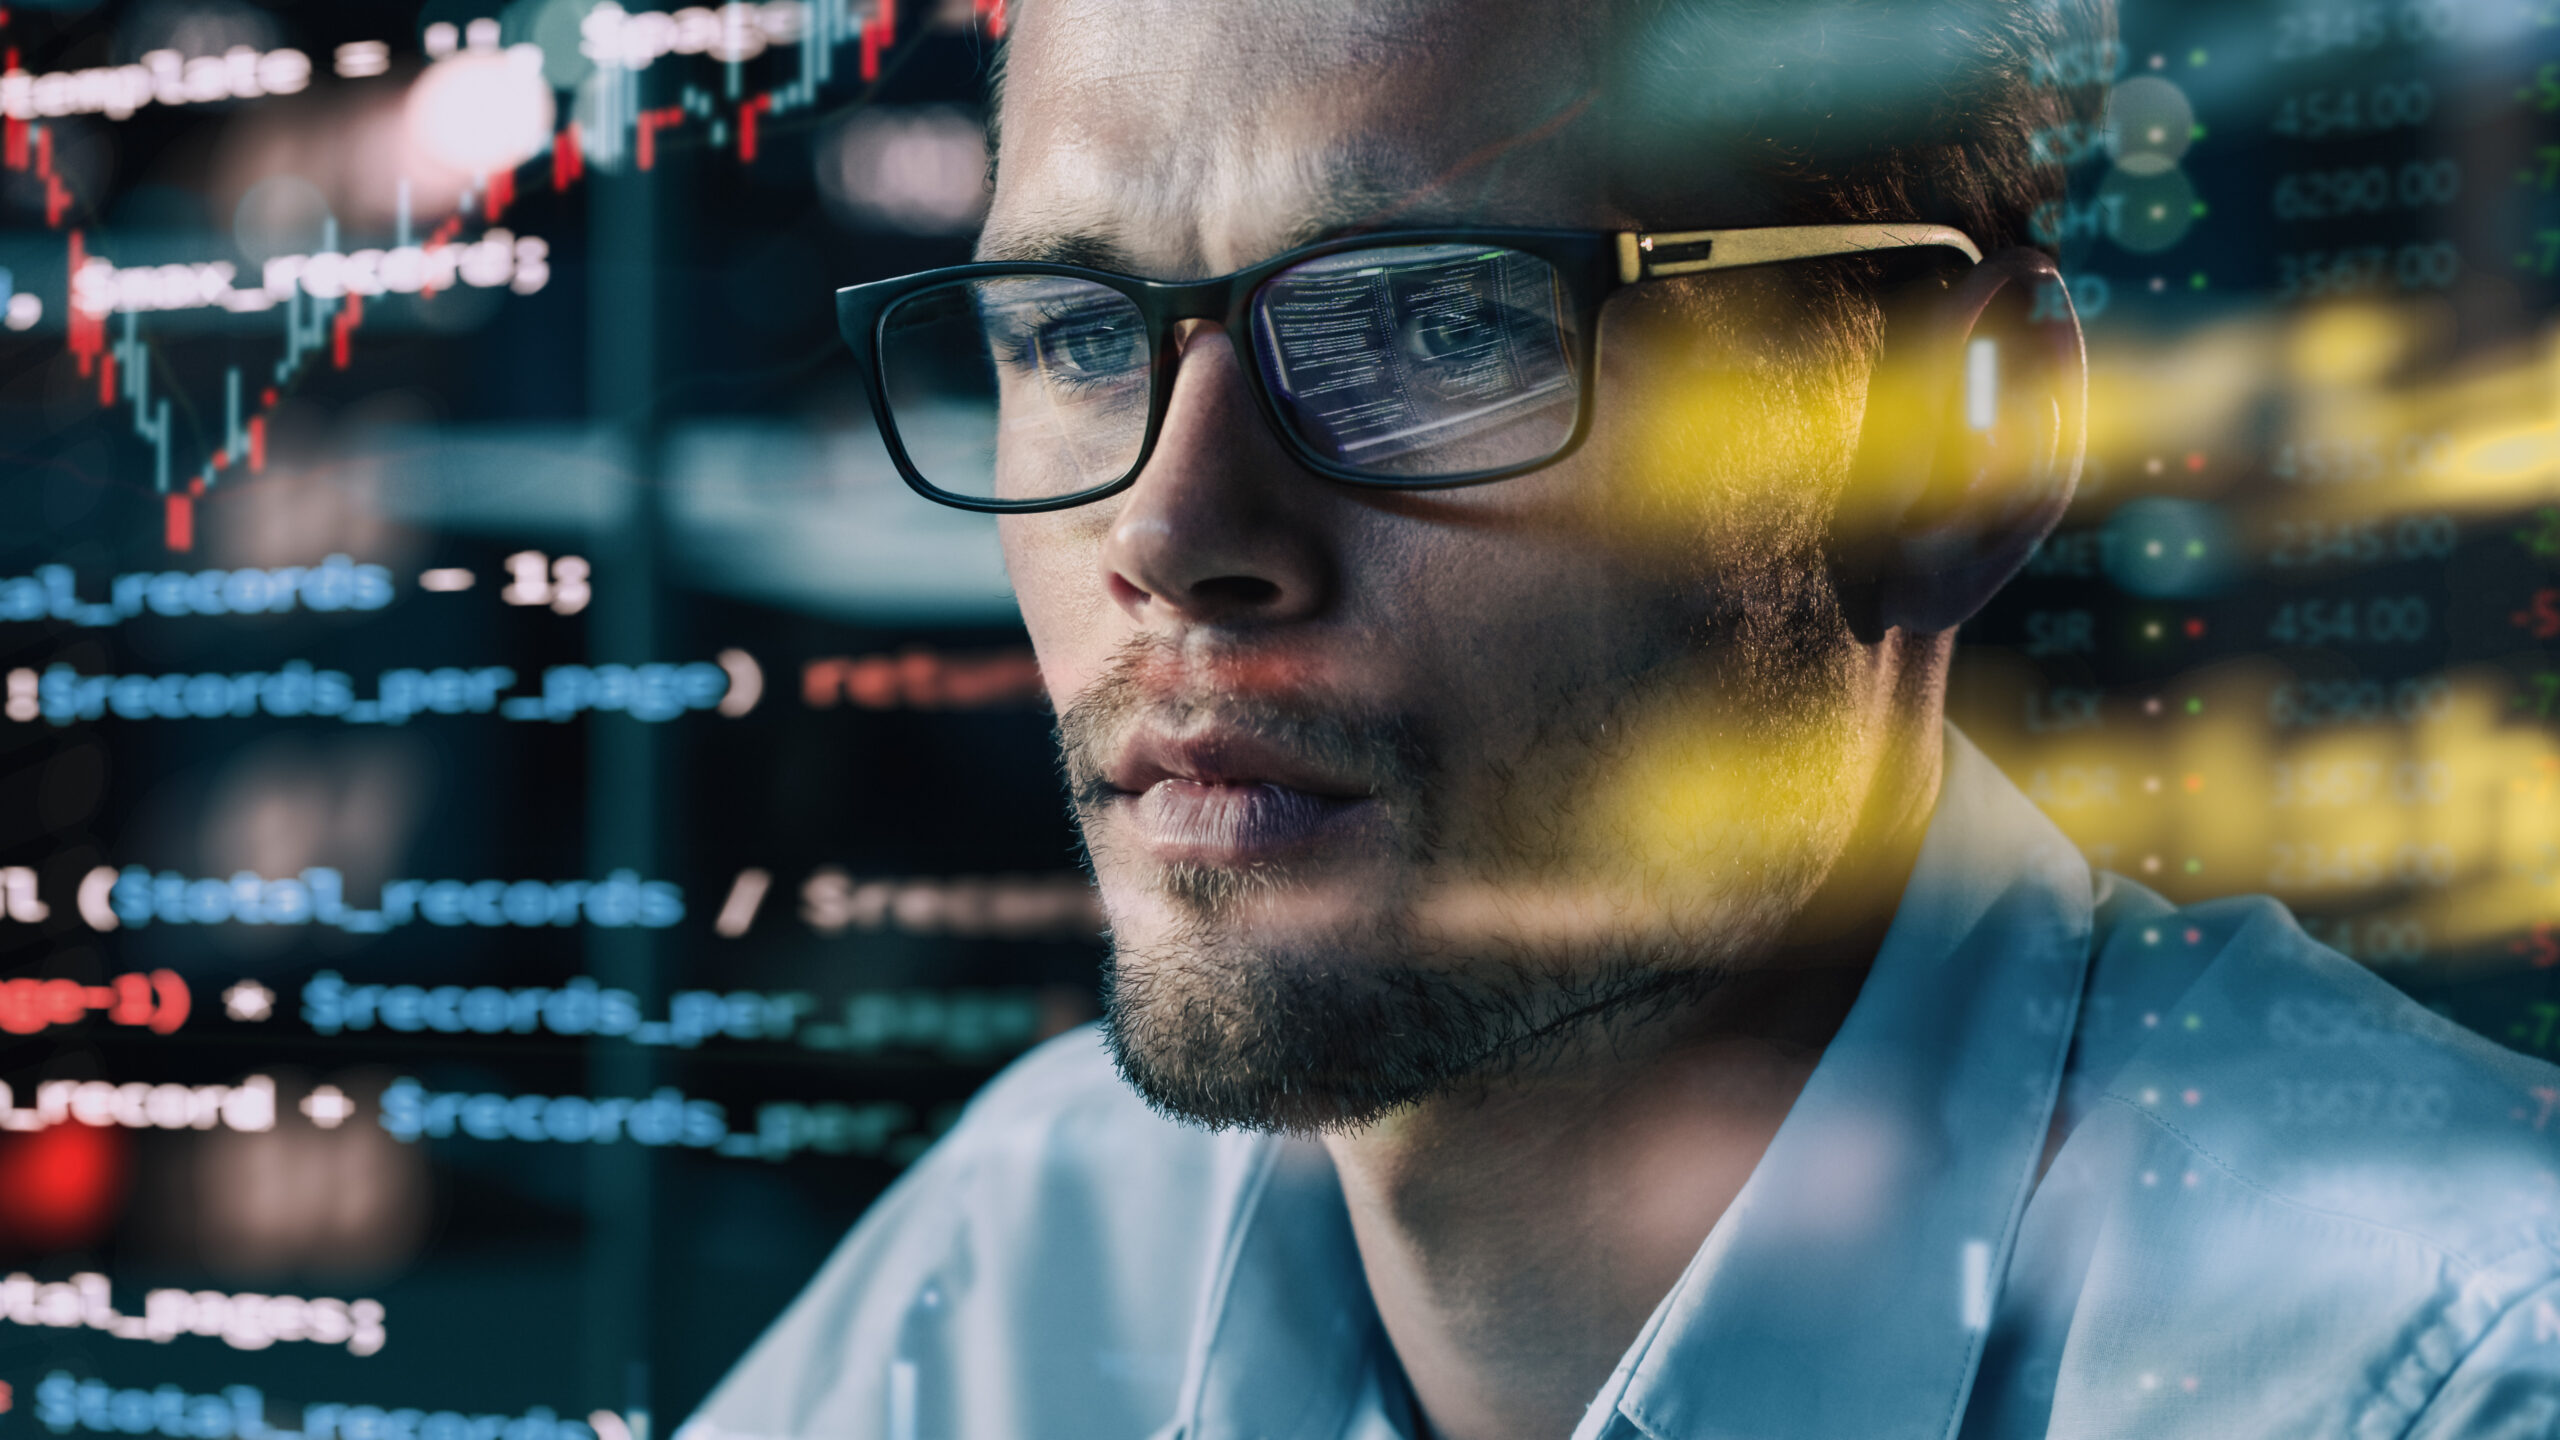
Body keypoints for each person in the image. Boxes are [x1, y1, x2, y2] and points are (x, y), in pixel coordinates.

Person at [686, 1, 2560, 1435]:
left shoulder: (2451, 1366)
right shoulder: (1036, 1248)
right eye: (1081, 338)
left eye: (1434, 326)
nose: (1173, 535)